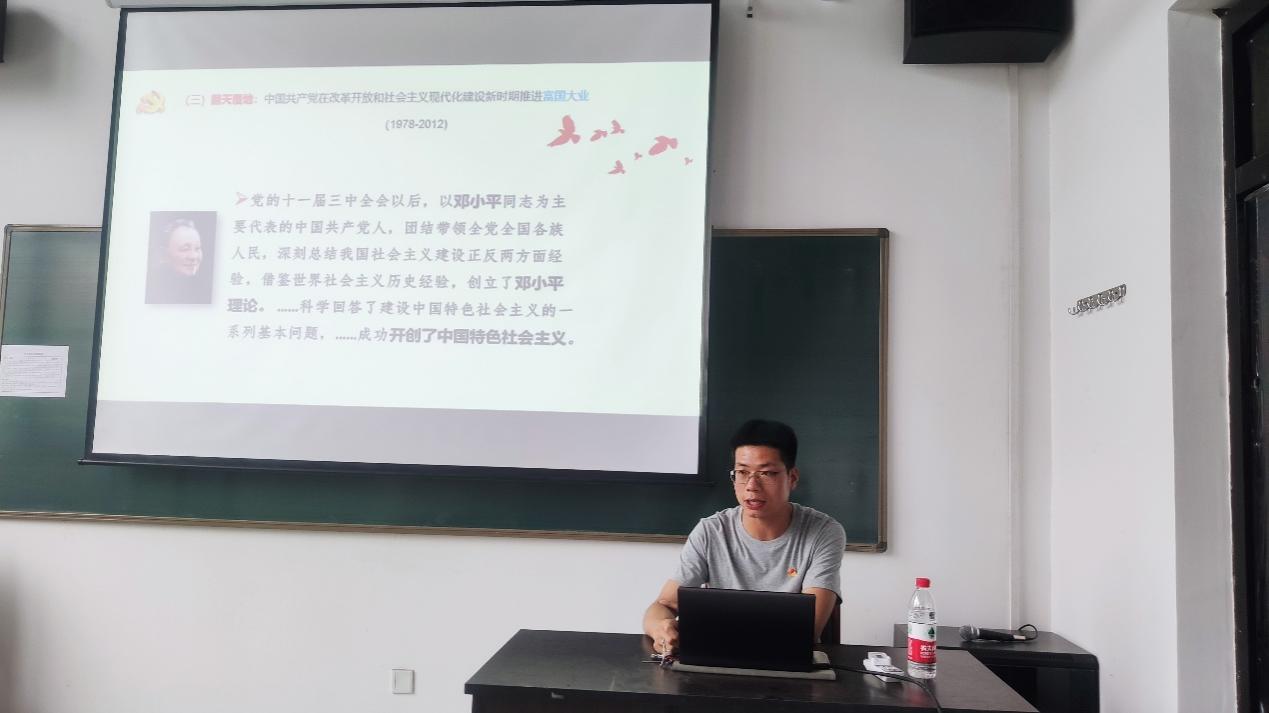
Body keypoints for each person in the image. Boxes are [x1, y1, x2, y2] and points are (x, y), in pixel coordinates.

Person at [642, 419, 846, 655]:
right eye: (742, 472)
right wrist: (661, 629)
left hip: (786, 662)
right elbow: (663, 605)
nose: (751, 486)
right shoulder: (711, 531)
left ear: (792, 478)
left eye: (766, 473)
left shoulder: (823, 532)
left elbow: (807, 629)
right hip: (717, 658)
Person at [146, 218, 211, 304]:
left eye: (197, 248)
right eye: (185, 249)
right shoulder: (153, 289)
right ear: (164, 254)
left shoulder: (204, 290)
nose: (194, 256)